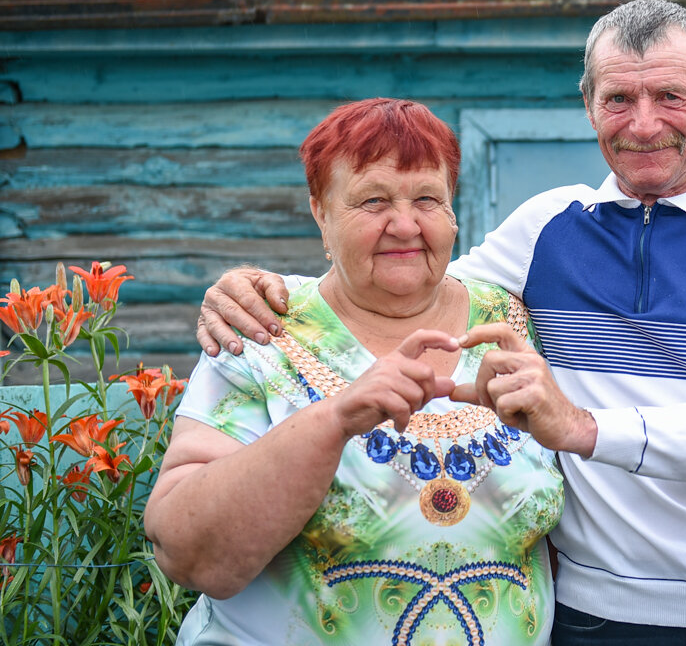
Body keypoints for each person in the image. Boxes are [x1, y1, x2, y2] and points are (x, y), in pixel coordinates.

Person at [198, 0, 686, 644]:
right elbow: (412, 278)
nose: (644, 124)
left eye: (670, 96)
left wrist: (582, 428)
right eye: (618, 99)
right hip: (602, 616)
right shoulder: (548, 227)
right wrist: (261, 289)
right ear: (589, 106)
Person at [145, 98, 564, 645]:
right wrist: (333, 419)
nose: (405, 225)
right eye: (373, 201)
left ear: (453, 211)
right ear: (320, 212)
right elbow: (189, 556)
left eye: (427, 199)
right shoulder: (261, 332)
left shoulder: (514, 321)